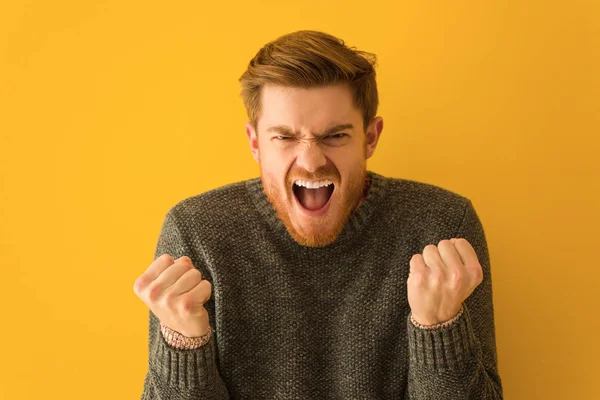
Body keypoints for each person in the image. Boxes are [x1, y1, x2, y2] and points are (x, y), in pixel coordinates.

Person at [133, 30, 503, 399]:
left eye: (335, 136)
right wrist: (184, 344)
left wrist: (438, 330)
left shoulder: (442, 229)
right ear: (255, 143)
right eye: (285, 137)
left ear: (370, 137)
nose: (311, 161)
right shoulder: (196, 233)